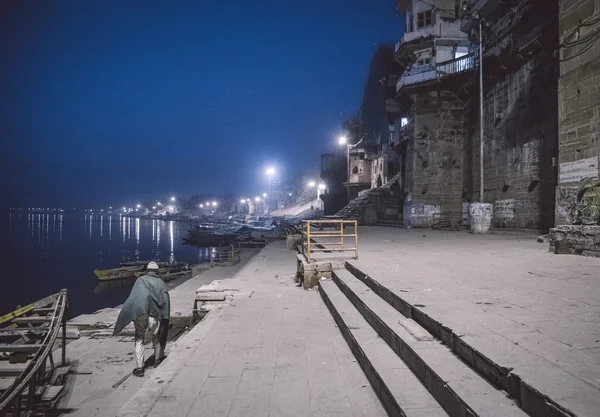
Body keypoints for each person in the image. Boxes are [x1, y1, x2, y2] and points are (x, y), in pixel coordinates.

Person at [113, 261, 170, 377]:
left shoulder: (140, 281)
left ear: (147, 271)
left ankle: (140, 368)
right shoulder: (161, 283)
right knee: (156, 338)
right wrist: (165, 316)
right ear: (157, 272)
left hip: (140, 315)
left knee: (139, 340)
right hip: (154, 316)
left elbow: (133, 298)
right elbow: (165, 300)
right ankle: (157, 360)